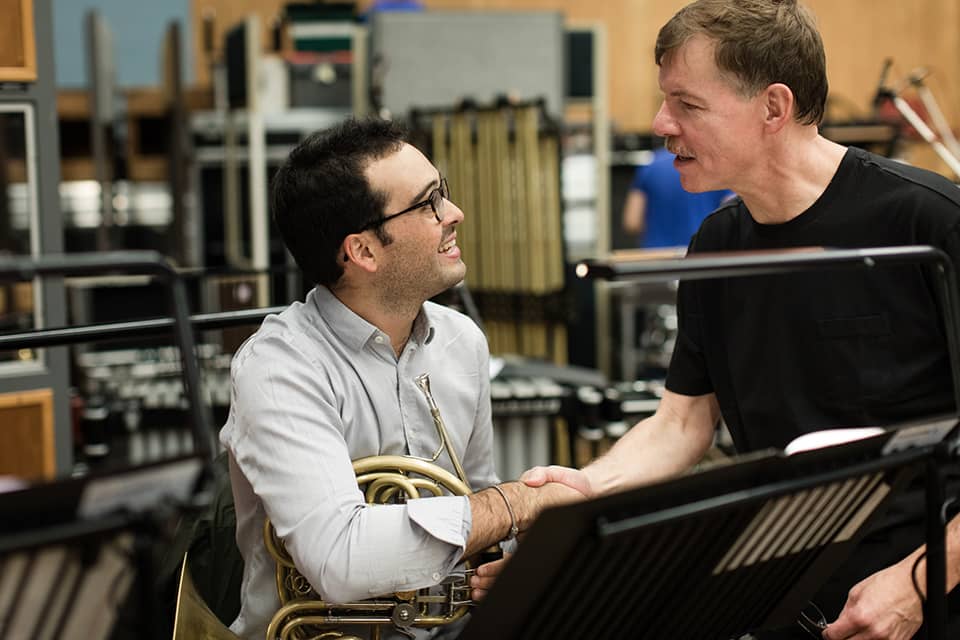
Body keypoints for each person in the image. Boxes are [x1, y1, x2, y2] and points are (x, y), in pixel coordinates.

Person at [474, 1, 960, 638]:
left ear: (773, 107)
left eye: (686, 104)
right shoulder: (716, 244)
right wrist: (584, 493)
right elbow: (682, 421)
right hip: (792, 602)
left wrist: (921, 580)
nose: (659, 123)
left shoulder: (929, 223)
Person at [220, 117, 580, 639]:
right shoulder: (279, 368)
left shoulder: (462, 342)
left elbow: (472, 506)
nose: (454, 214)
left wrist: (506, 557)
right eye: (429, 203)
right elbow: (339, 558)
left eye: (444, 193)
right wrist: (517, 503)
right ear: (362, 251)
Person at [622, 145, 732, 248]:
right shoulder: (713, 167)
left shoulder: (650, 166)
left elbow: (632, 222)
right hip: (702, 254)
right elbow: (733, 217)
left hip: (655, 257)